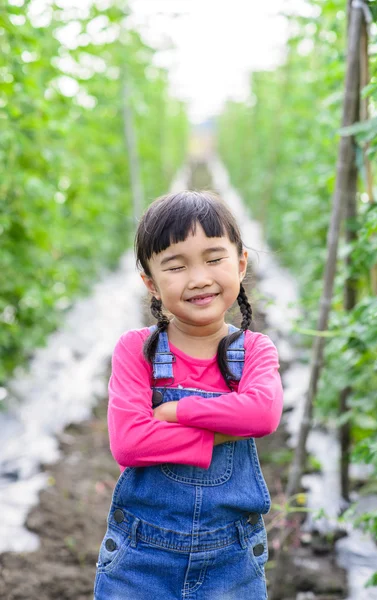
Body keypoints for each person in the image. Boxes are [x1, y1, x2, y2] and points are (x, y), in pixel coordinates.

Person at [94, 190, 284, 600]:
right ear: (151, 284)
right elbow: (129, 443)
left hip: (231, 560)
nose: (199, 278)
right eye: (176, 267)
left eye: (214, 259)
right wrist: (224, 426)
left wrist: (175, 411)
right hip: (141, 558)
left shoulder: (254, 349)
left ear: (241, 262)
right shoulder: (136, 349)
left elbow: (263, 415)